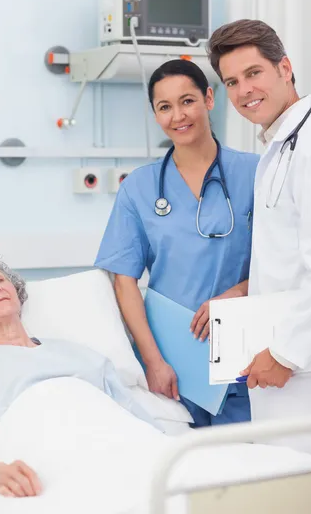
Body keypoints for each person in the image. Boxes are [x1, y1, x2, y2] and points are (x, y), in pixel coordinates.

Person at [95, 59, 259, 428]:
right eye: (164, 107)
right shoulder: (139, 188)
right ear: (155, 114)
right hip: (172, 362)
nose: (177, 116)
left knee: (248, 467)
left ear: (209, 99)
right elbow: (124, 282)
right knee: (183, 472)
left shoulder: (254, 173)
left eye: (187, 101)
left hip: (245, 350)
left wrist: (240, 292)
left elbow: (285, 259)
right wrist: (153, 362)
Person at [0, 252, 158, 498]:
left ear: (16, 292)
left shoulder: (84, 356)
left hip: (114, 449)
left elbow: (140, 427)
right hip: (44, 461)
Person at [207, 18, 311, 455]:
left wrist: (286, 354)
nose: (243, 91)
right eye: (231, 82)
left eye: (253, 73)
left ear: (285, 68)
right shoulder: (279, 147)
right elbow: (287, 258)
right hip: (288, 360)